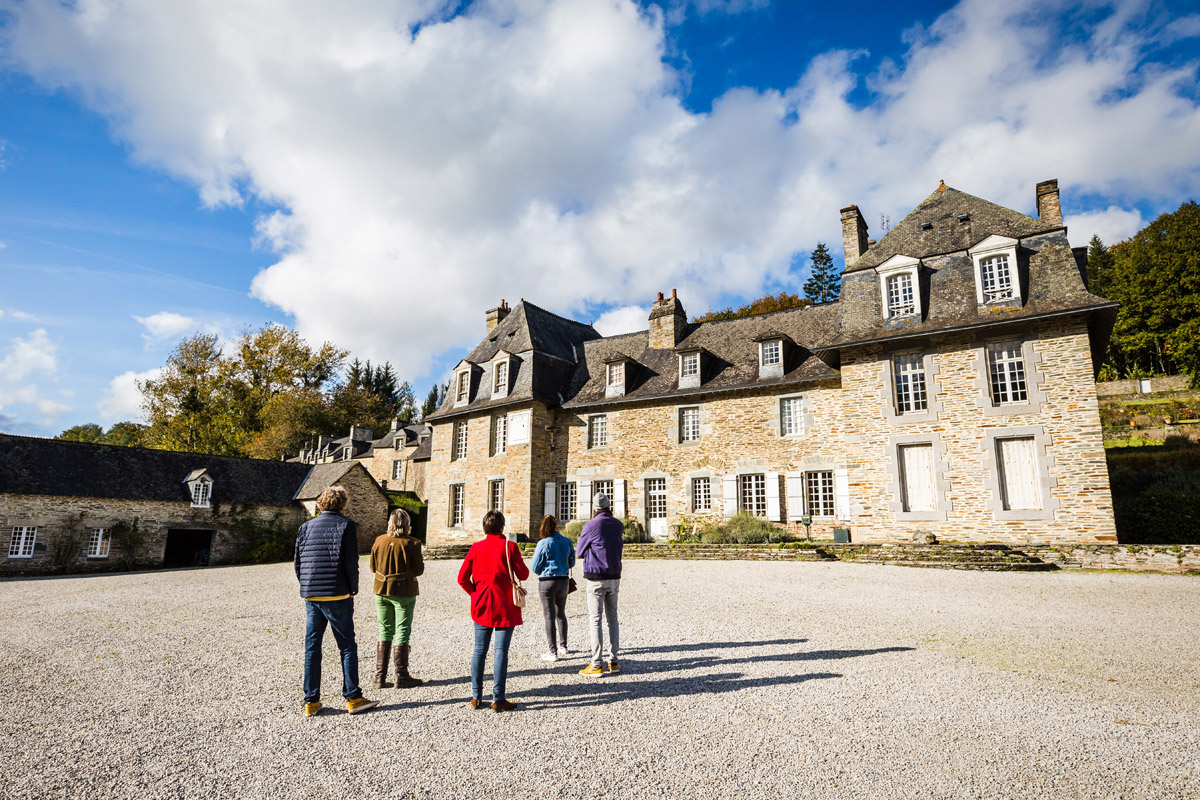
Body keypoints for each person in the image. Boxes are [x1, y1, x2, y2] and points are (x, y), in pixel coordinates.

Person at [294, 485, 378, 717]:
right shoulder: (346, 526)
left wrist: (307, 586)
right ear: (343, 504)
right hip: (338, 593)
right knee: (347, 646)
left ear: (321, 503)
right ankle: (353, 697)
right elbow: (351, 563)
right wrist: (353, 589)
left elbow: (298, 562)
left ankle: (311, 701)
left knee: (313, 647)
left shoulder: (305, 527)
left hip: (311, 593)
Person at [457, 510, 530, 712]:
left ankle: (476, 696)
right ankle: (498, 698)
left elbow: (462, 578)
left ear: (484, 527)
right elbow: (523, 573)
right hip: (505, 604)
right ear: (502, 527)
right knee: (500, 652)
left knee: (479, 651)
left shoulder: (476, 548)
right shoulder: (509, 547)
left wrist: (475, 593)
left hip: (482, 603)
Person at [369, 508, 425, 689]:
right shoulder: (413, 543)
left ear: (390, 523)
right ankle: (401, 676)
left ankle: (380, 677)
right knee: (402, 630)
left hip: (382, 589)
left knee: (384, 630)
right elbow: (419, 571)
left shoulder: (379, 541)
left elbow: (372, 567)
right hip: (404, 591)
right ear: (407, 524)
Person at [575, 492, 624, 676]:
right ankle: (614, 661)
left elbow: (579, 551)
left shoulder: (590, 525)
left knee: (595, 619)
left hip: (596, 577)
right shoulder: (618, 525)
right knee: (612, 618)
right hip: (614, 576)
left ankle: (596, 663)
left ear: (594, 507)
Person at [530, 515, 575, 662]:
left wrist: (544, 570)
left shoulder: (543, 543)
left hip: (547, 581)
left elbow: (535, 566)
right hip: (563, 581)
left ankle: (552, 652)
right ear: (556, 526)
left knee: (549, 616)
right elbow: (572, 562)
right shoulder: (567, 542)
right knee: (561, 614)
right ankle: (563, 646)